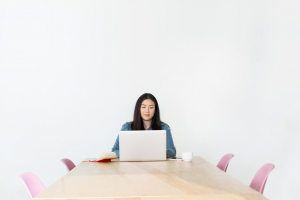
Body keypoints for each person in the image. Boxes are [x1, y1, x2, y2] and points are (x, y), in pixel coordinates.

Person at [112, 93, 176, 158]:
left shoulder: (164, 128)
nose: (147, 111)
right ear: (138, 109)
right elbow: (114, 150)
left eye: (151, 107)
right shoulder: (127, 127)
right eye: (143, 107)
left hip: (156, 165)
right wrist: (130, 154)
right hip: (132, 165)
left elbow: (172, 151)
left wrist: (153, 154)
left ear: (155, 110)